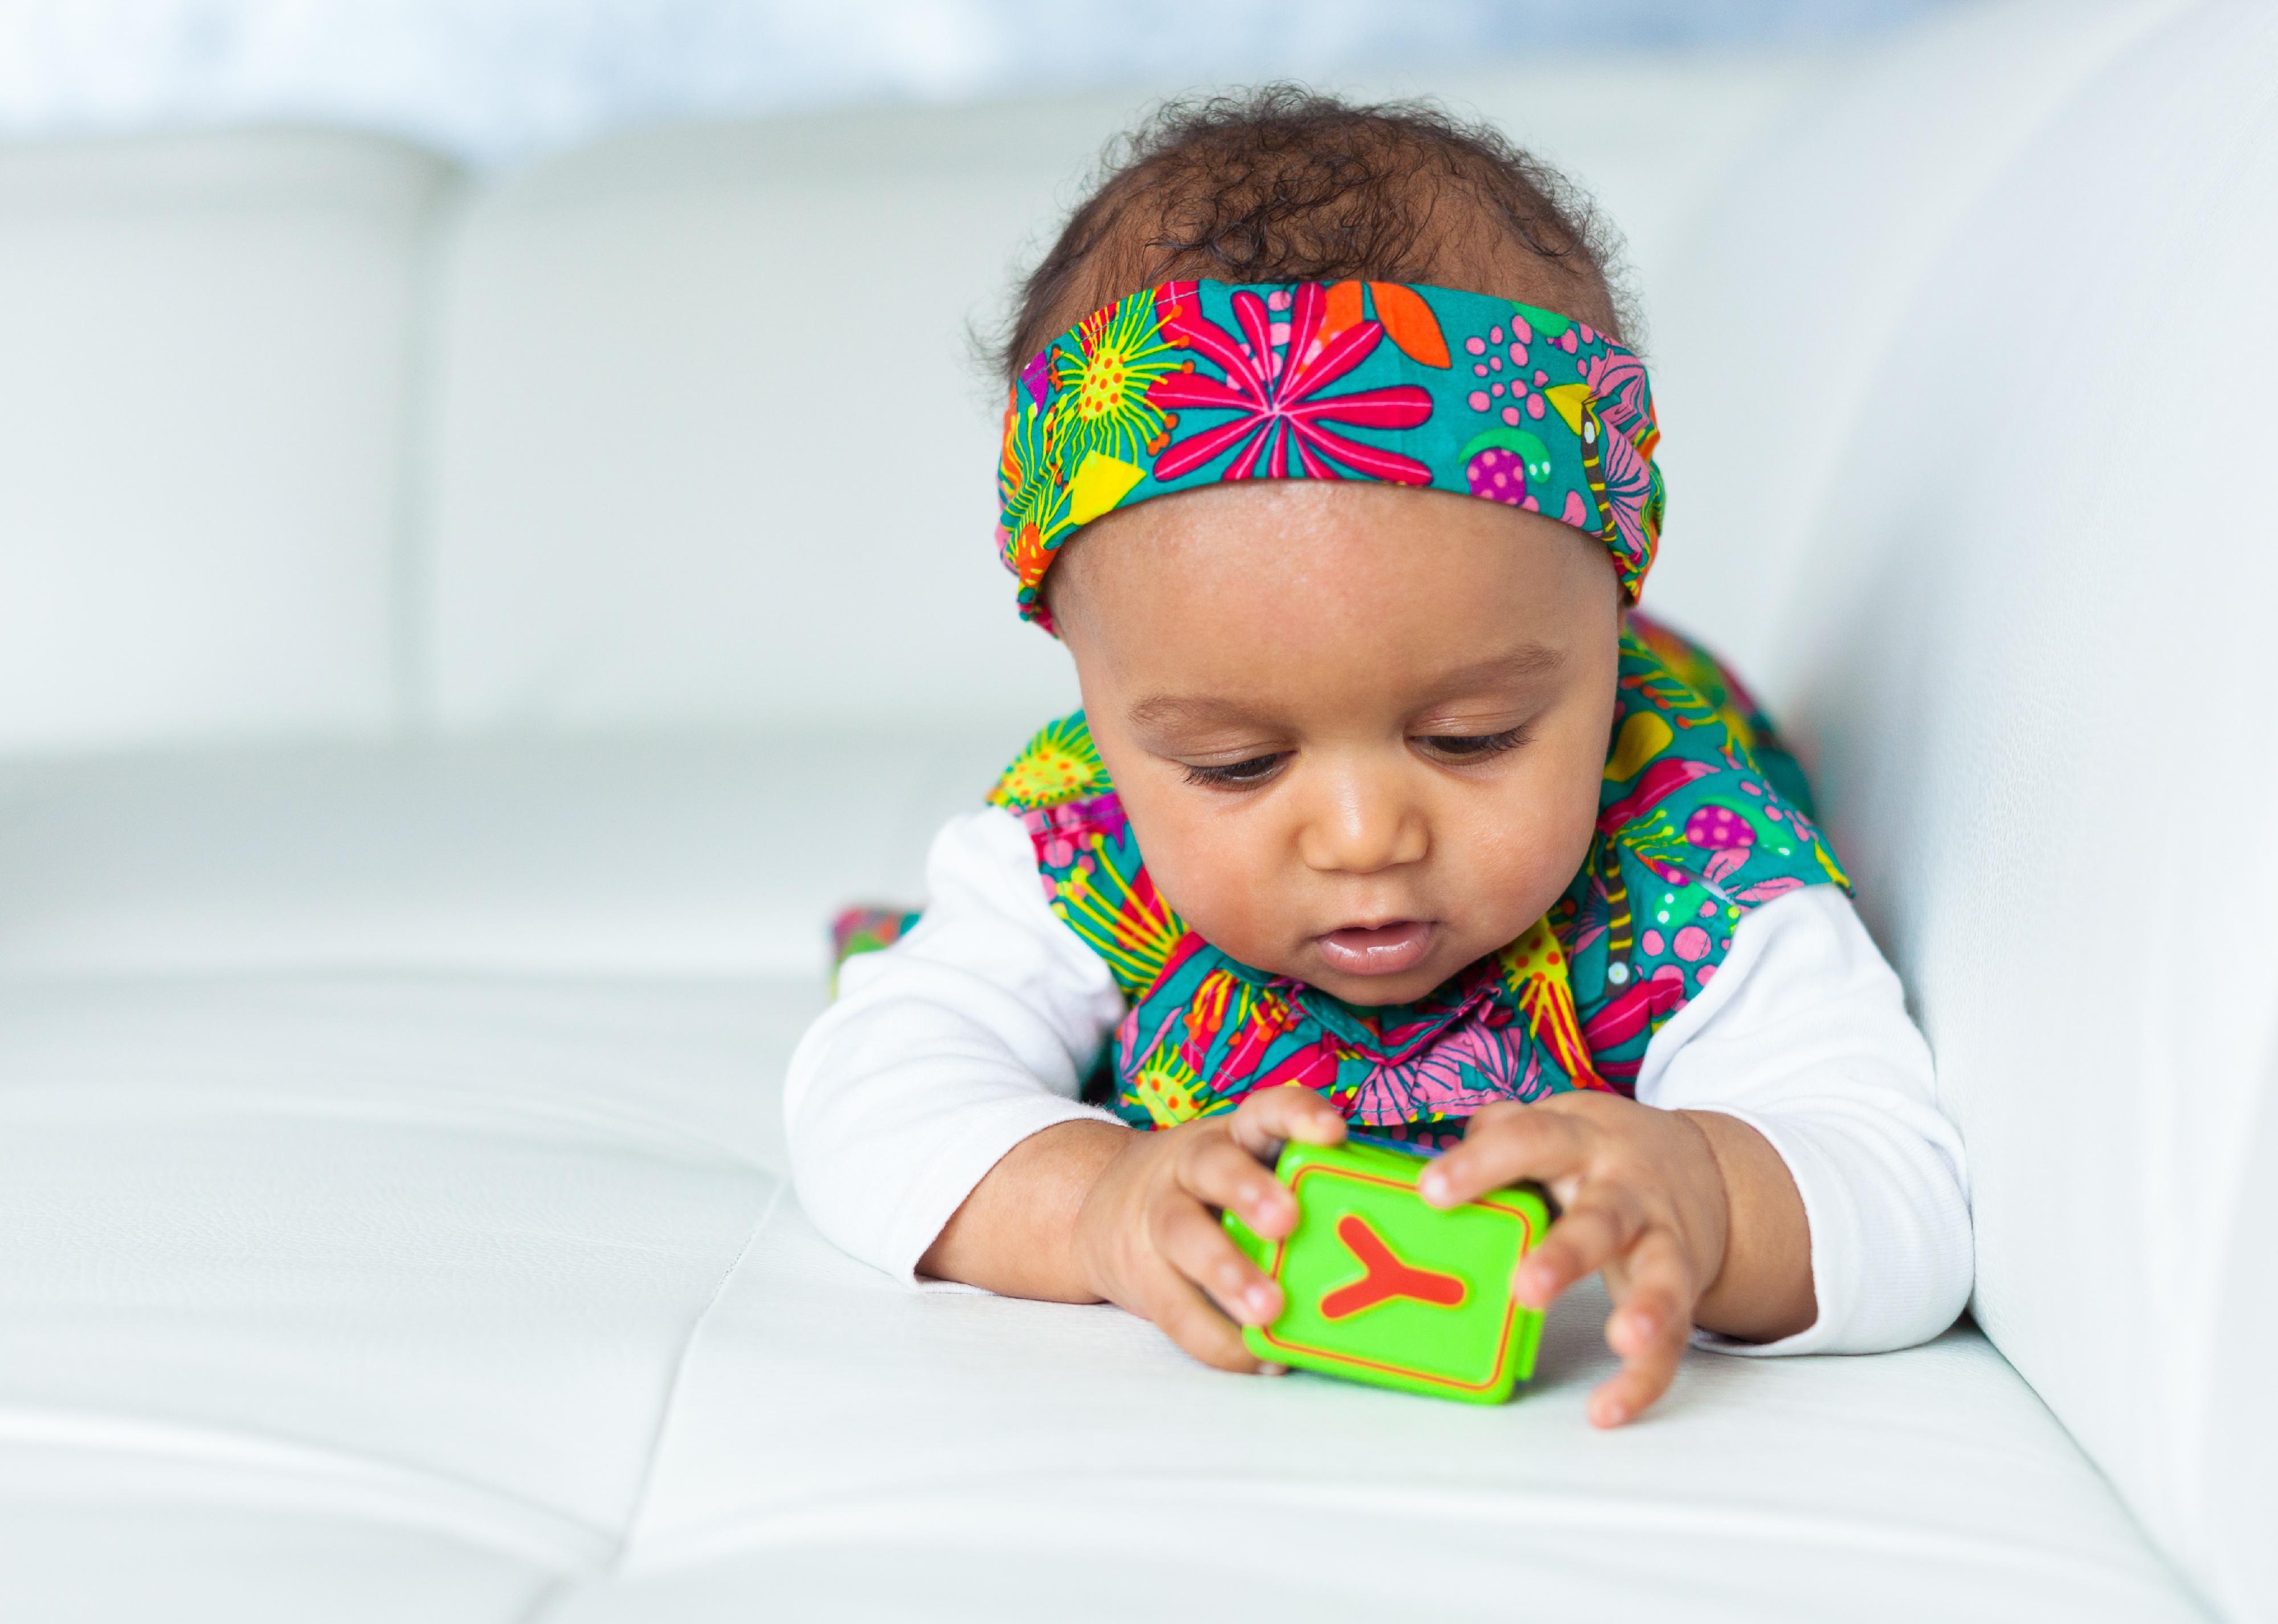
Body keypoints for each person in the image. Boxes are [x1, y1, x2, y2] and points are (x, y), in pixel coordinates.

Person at [786, 88, 1970, 1426]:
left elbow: (1904, 1194)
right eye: (1233, 763)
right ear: (1090, 681)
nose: (1362, 837)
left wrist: (1709, 1189)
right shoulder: (1075, 844)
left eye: (1473, 737)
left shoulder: (1694, 864)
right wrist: (1093, 1202)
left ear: (1606, 615)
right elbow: (868, 1089)